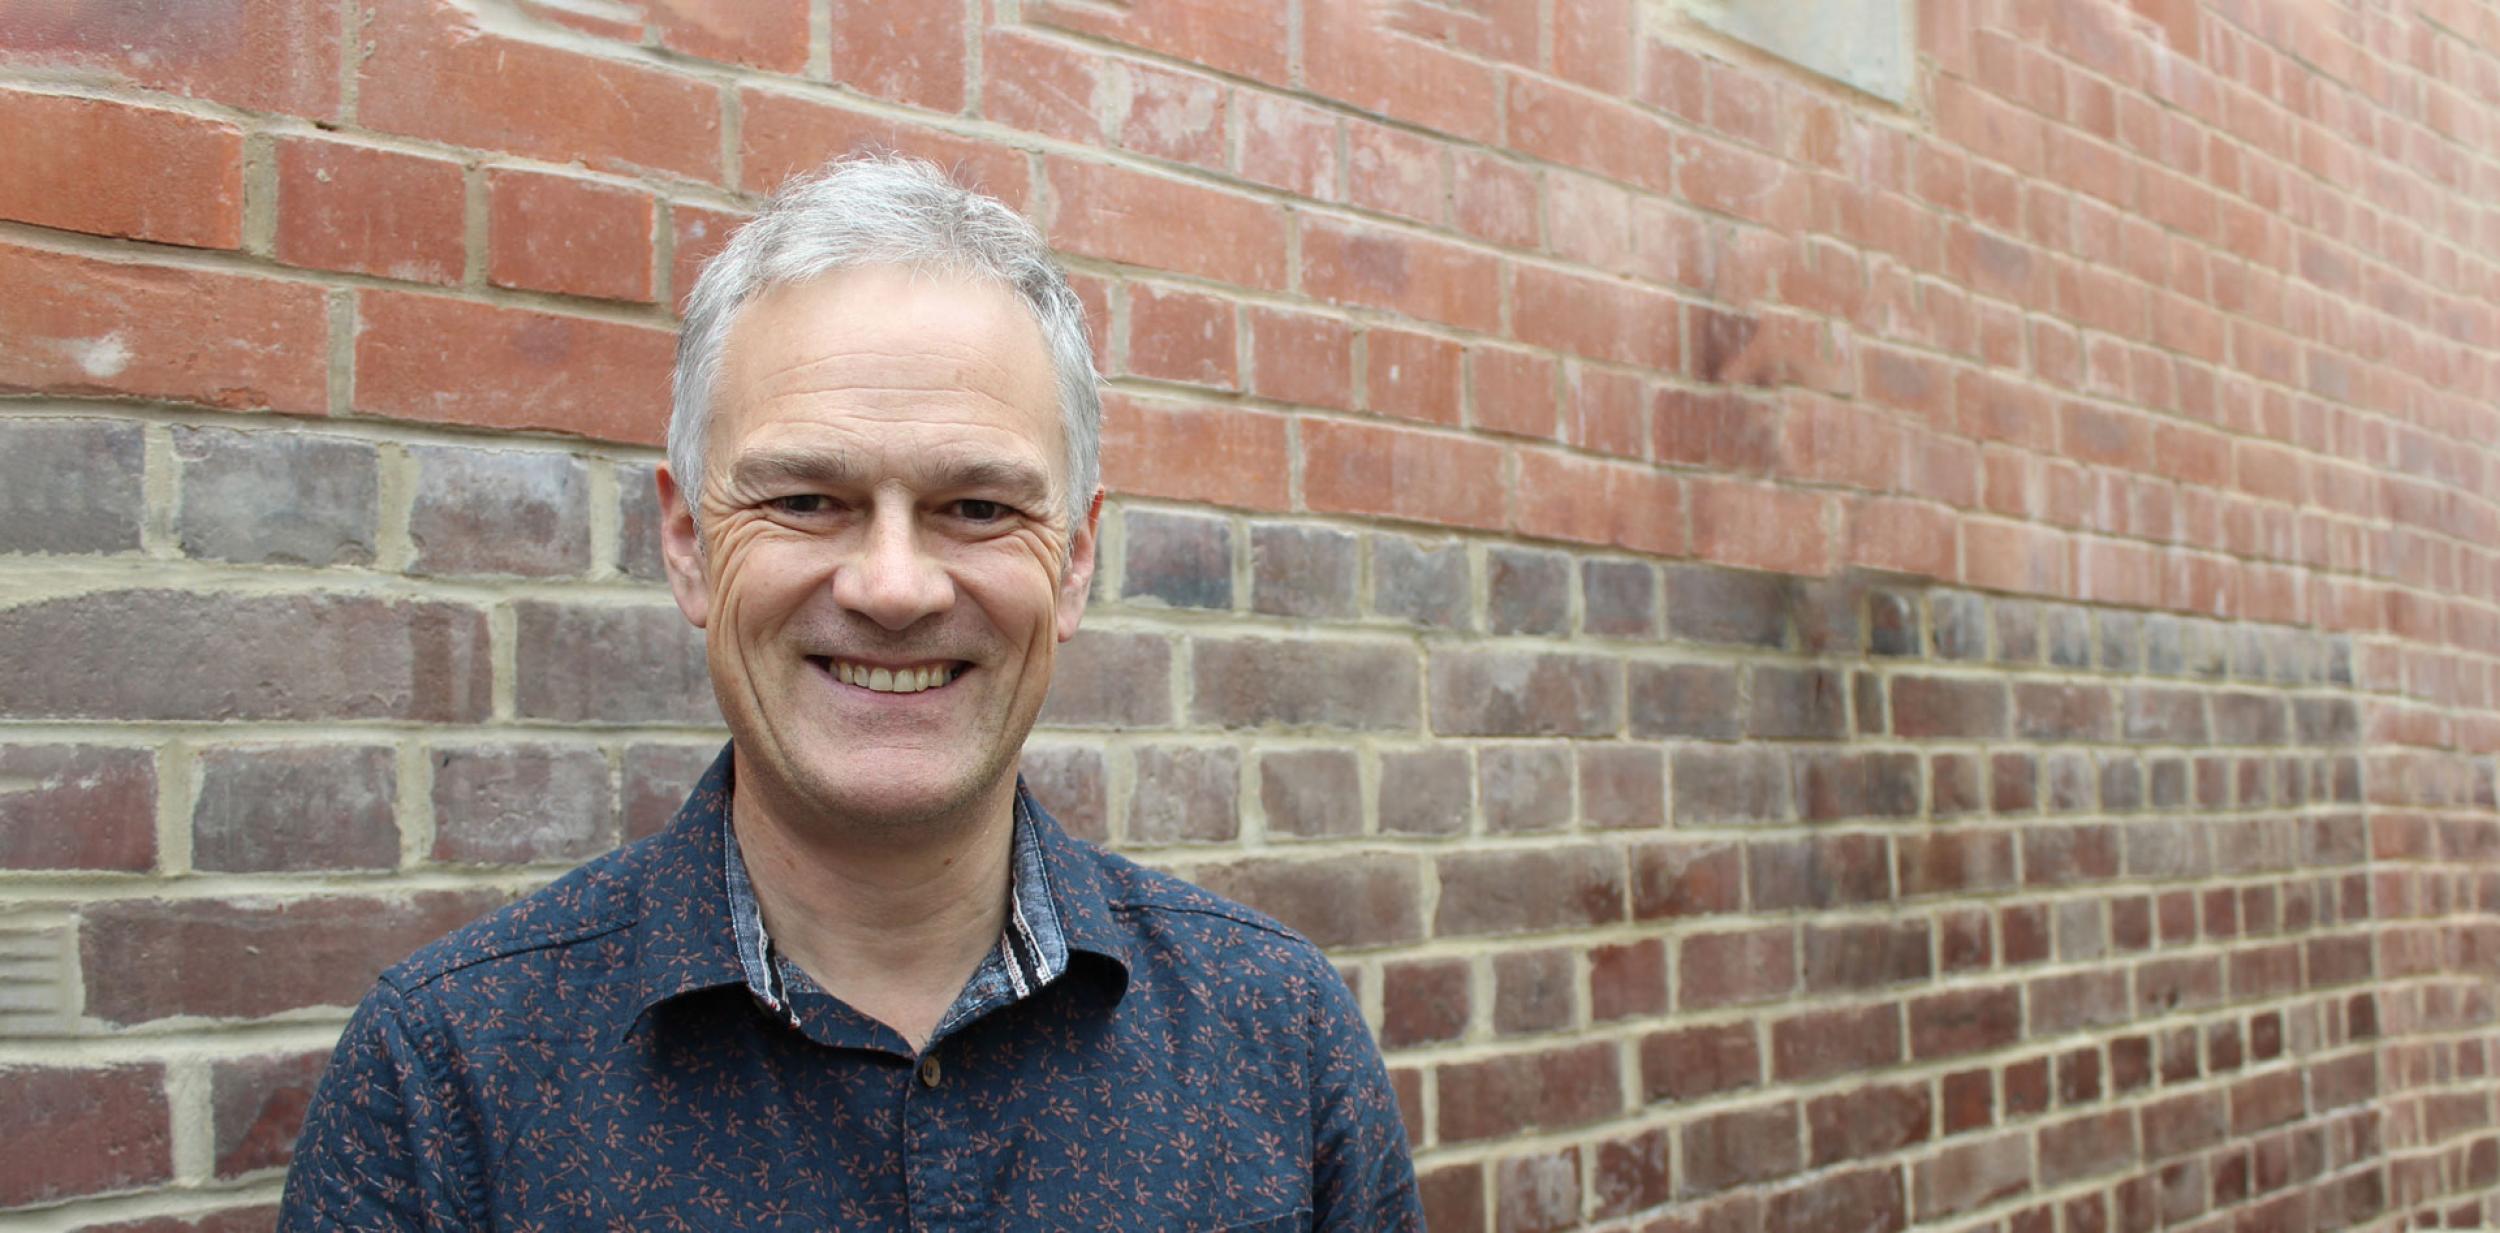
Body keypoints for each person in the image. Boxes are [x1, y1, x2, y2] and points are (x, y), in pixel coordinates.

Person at [278, 155, 1423, 1231]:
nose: (891, 587)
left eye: (977, 507)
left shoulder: (1280, 1037)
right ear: (685, 542)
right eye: (806, 499)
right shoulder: (445, 1079)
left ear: (1074, 559)